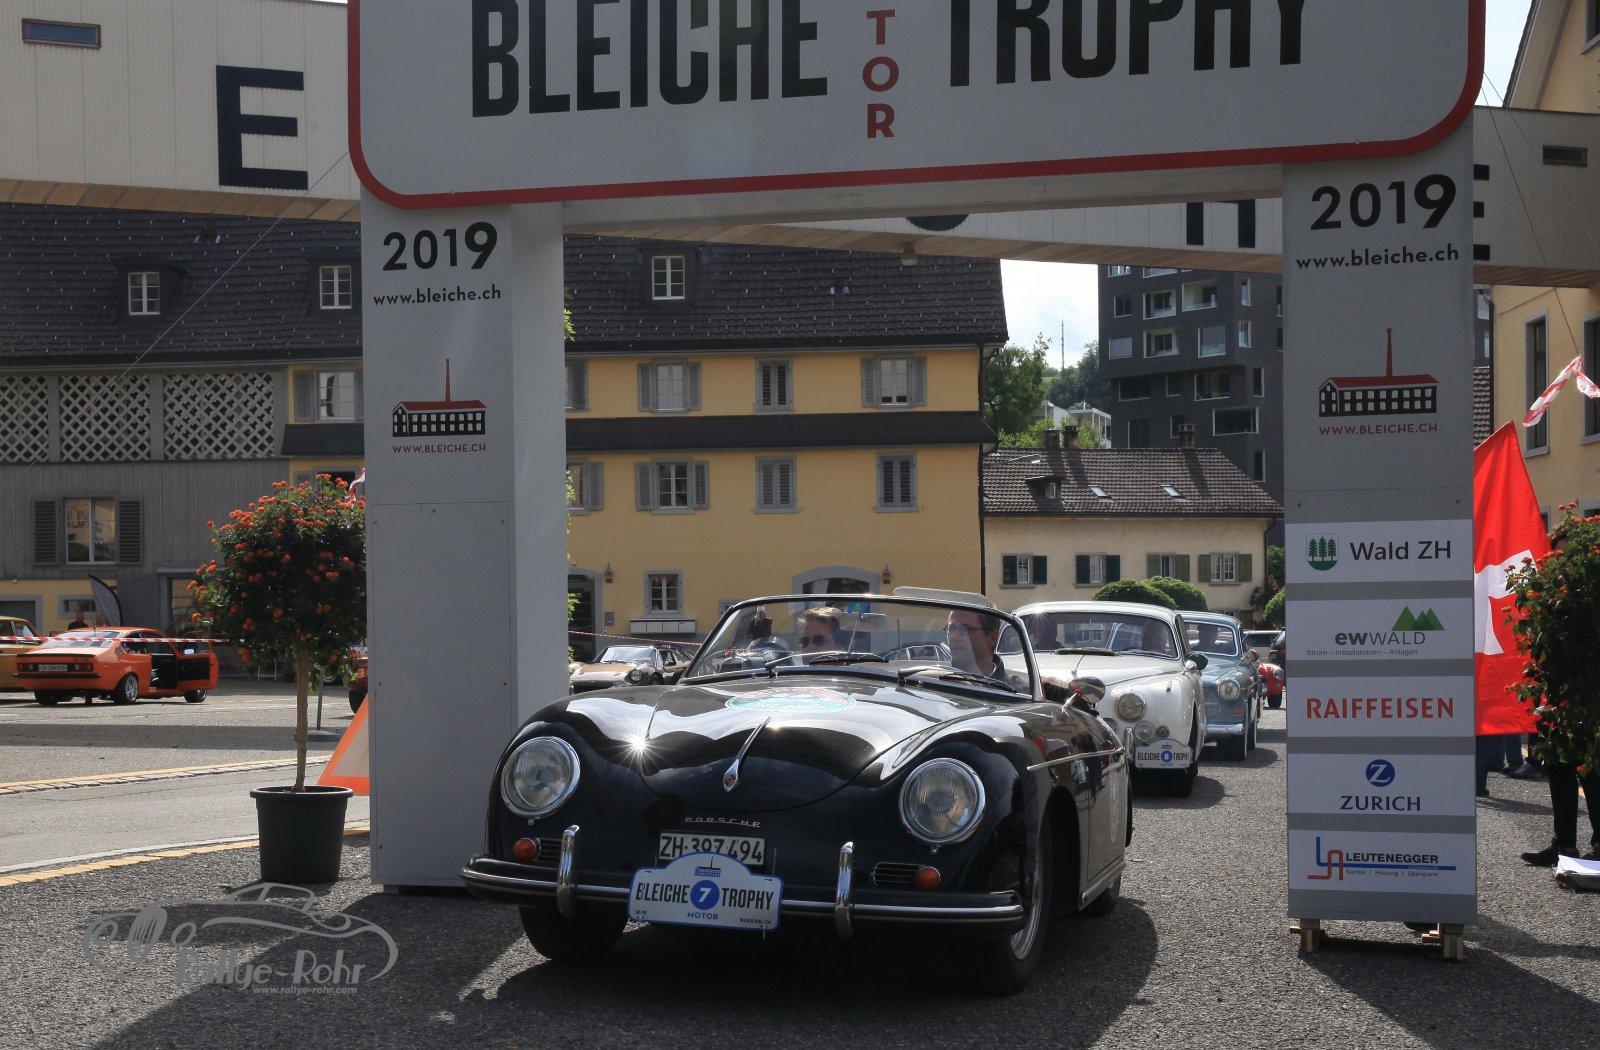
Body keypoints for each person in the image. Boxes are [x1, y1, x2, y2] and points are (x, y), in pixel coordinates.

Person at [946, 608, 1006, 679]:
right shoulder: (938, 678)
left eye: (965, 629)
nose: (954, 637)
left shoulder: (1011, 685)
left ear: (993, 638)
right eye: (951, 629)